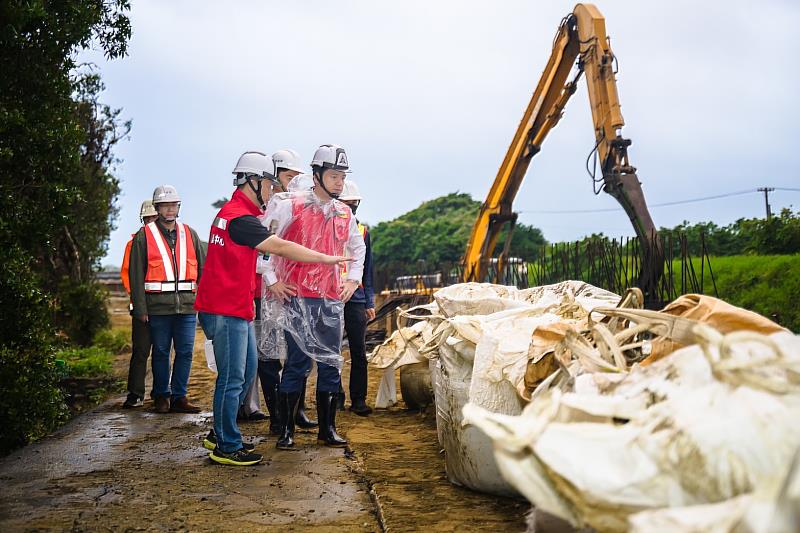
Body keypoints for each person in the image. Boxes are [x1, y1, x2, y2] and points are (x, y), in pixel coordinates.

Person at [195, 151, 352, 467]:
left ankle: (220, 431)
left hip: (234, 307)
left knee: (247, 369)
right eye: (267, 185)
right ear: (252, 182)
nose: (271, 192)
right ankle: (226, 445)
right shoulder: (239, 218)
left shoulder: (236, 214)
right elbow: (279, 247)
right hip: (225, 309)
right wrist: (324, 258)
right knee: (232, 378)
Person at [262, 144, 366, 450]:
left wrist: (353, 281)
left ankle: (327, 429)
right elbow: (263, 244)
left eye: (342, 176)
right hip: (297, 297)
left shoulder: (344, 213)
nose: (339, 182)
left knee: (331, 363)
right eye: (333, 175)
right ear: (316, 175)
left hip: (331, 299)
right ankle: (286, 431)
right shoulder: (290, 207)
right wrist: (272, 281)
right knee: (297, 363)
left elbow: (358, 250)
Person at [129, 186, 205, 414]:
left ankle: (179, 396)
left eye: (173, 205)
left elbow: (203, 269)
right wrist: (140, 309)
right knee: (161, 351)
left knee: (185, 352)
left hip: (187, 308)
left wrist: (204, 302)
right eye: (165, 205)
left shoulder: (189, 233)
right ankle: (162, 396)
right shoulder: (145, 236)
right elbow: (136, 275)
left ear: (178, 207)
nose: (170, 209)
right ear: (158, 208)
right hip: (157, 308)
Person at [337, 180, 376, 416]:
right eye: (347, 205)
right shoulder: (326, 228)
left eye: (354, 206)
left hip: (356, 298)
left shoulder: (362, 232)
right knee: (331, 351)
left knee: (358, 351)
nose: (351, 210)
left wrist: (369, 301)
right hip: (331, 296)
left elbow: (368, 269)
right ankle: (336, 397)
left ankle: (358, 399)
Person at [121, 200, 159, 408]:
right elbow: (128, 274)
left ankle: (161, 392)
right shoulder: (134, 243)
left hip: (164, 306)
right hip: (142, 305)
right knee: (141, 350)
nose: (151, 222)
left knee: (162, 351)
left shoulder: (172, 242)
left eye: (154, 218)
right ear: (143, 220)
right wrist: (138, 301)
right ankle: (135, 393)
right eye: (148, 219)